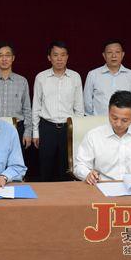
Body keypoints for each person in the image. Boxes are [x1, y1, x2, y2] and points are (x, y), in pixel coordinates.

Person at [74, 90, 131, 184]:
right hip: (102, 186)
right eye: (114, 118)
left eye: (124, 120)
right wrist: (87, 174)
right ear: (108, 112)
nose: (118, 124)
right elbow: (80, 165)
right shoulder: (93, 135)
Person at [32, 41, 84, 182]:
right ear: (49, 57)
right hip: (47, 127)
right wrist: (35, 132)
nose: (59, 58)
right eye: (55, 55)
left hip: (68, 128)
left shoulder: (75, 77)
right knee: (46, 168)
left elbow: (79, 108)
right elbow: (36, 106)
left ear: (67, 57)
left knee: (66, 169)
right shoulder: (41, 77)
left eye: (63, 55)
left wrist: (77, 132)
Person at [0, 41, 32, 151]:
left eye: (7, 55)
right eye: (0, 56)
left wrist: (28, 132)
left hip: (17, 129)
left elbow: (27, 109)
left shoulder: (22, 81)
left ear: (13, 58)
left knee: (15, 160)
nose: (4, 59)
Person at [84, 39, 131, 116]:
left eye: (117, 52)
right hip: (98, 120)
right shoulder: (93, 74)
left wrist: (128, 118)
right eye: (109, 52)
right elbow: (87, 101)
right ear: (104, 55)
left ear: (122, 54)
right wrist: (93, 119)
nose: (114, 56)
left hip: (124, 120)